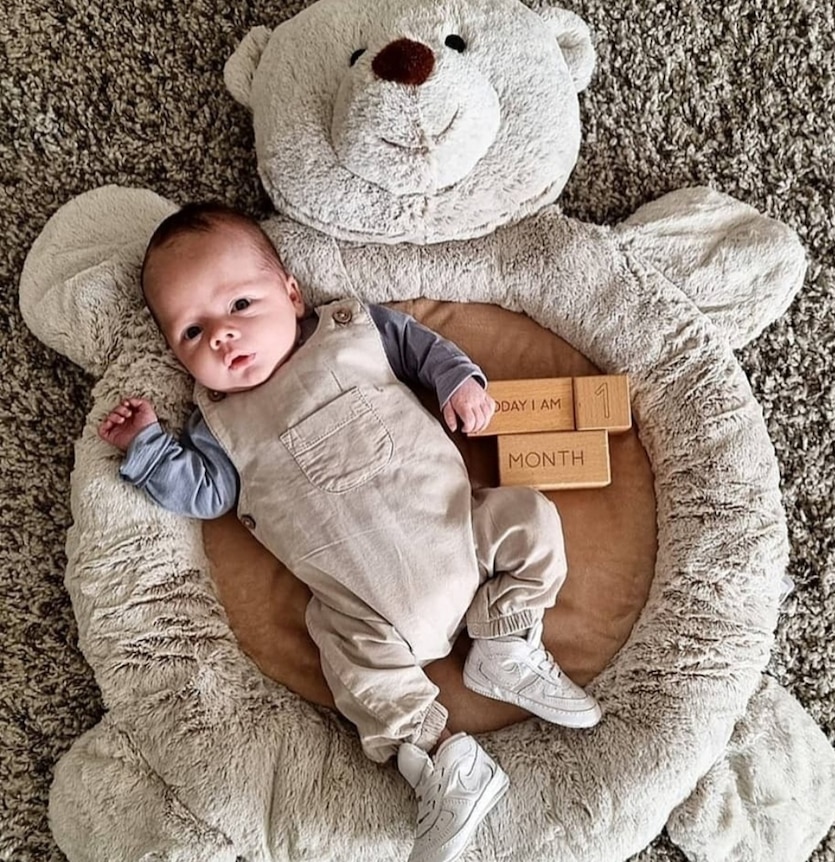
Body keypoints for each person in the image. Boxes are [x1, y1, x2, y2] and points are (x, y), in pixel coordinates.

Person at [99, 202, 601, 862]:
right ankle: (444, 759)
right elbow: (208, 495)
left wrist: (458, 383)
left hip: (464, 534)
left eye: (240, 305)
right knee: (342, 654)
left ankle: (505, 640)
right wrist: (149, 450)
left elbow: (423, 348)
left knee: (530, 518)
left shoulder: (351, 328)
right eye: (192, 332)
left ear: (291, 293)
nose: (222, 336)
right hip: (364, 612)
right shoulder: (219, 426)